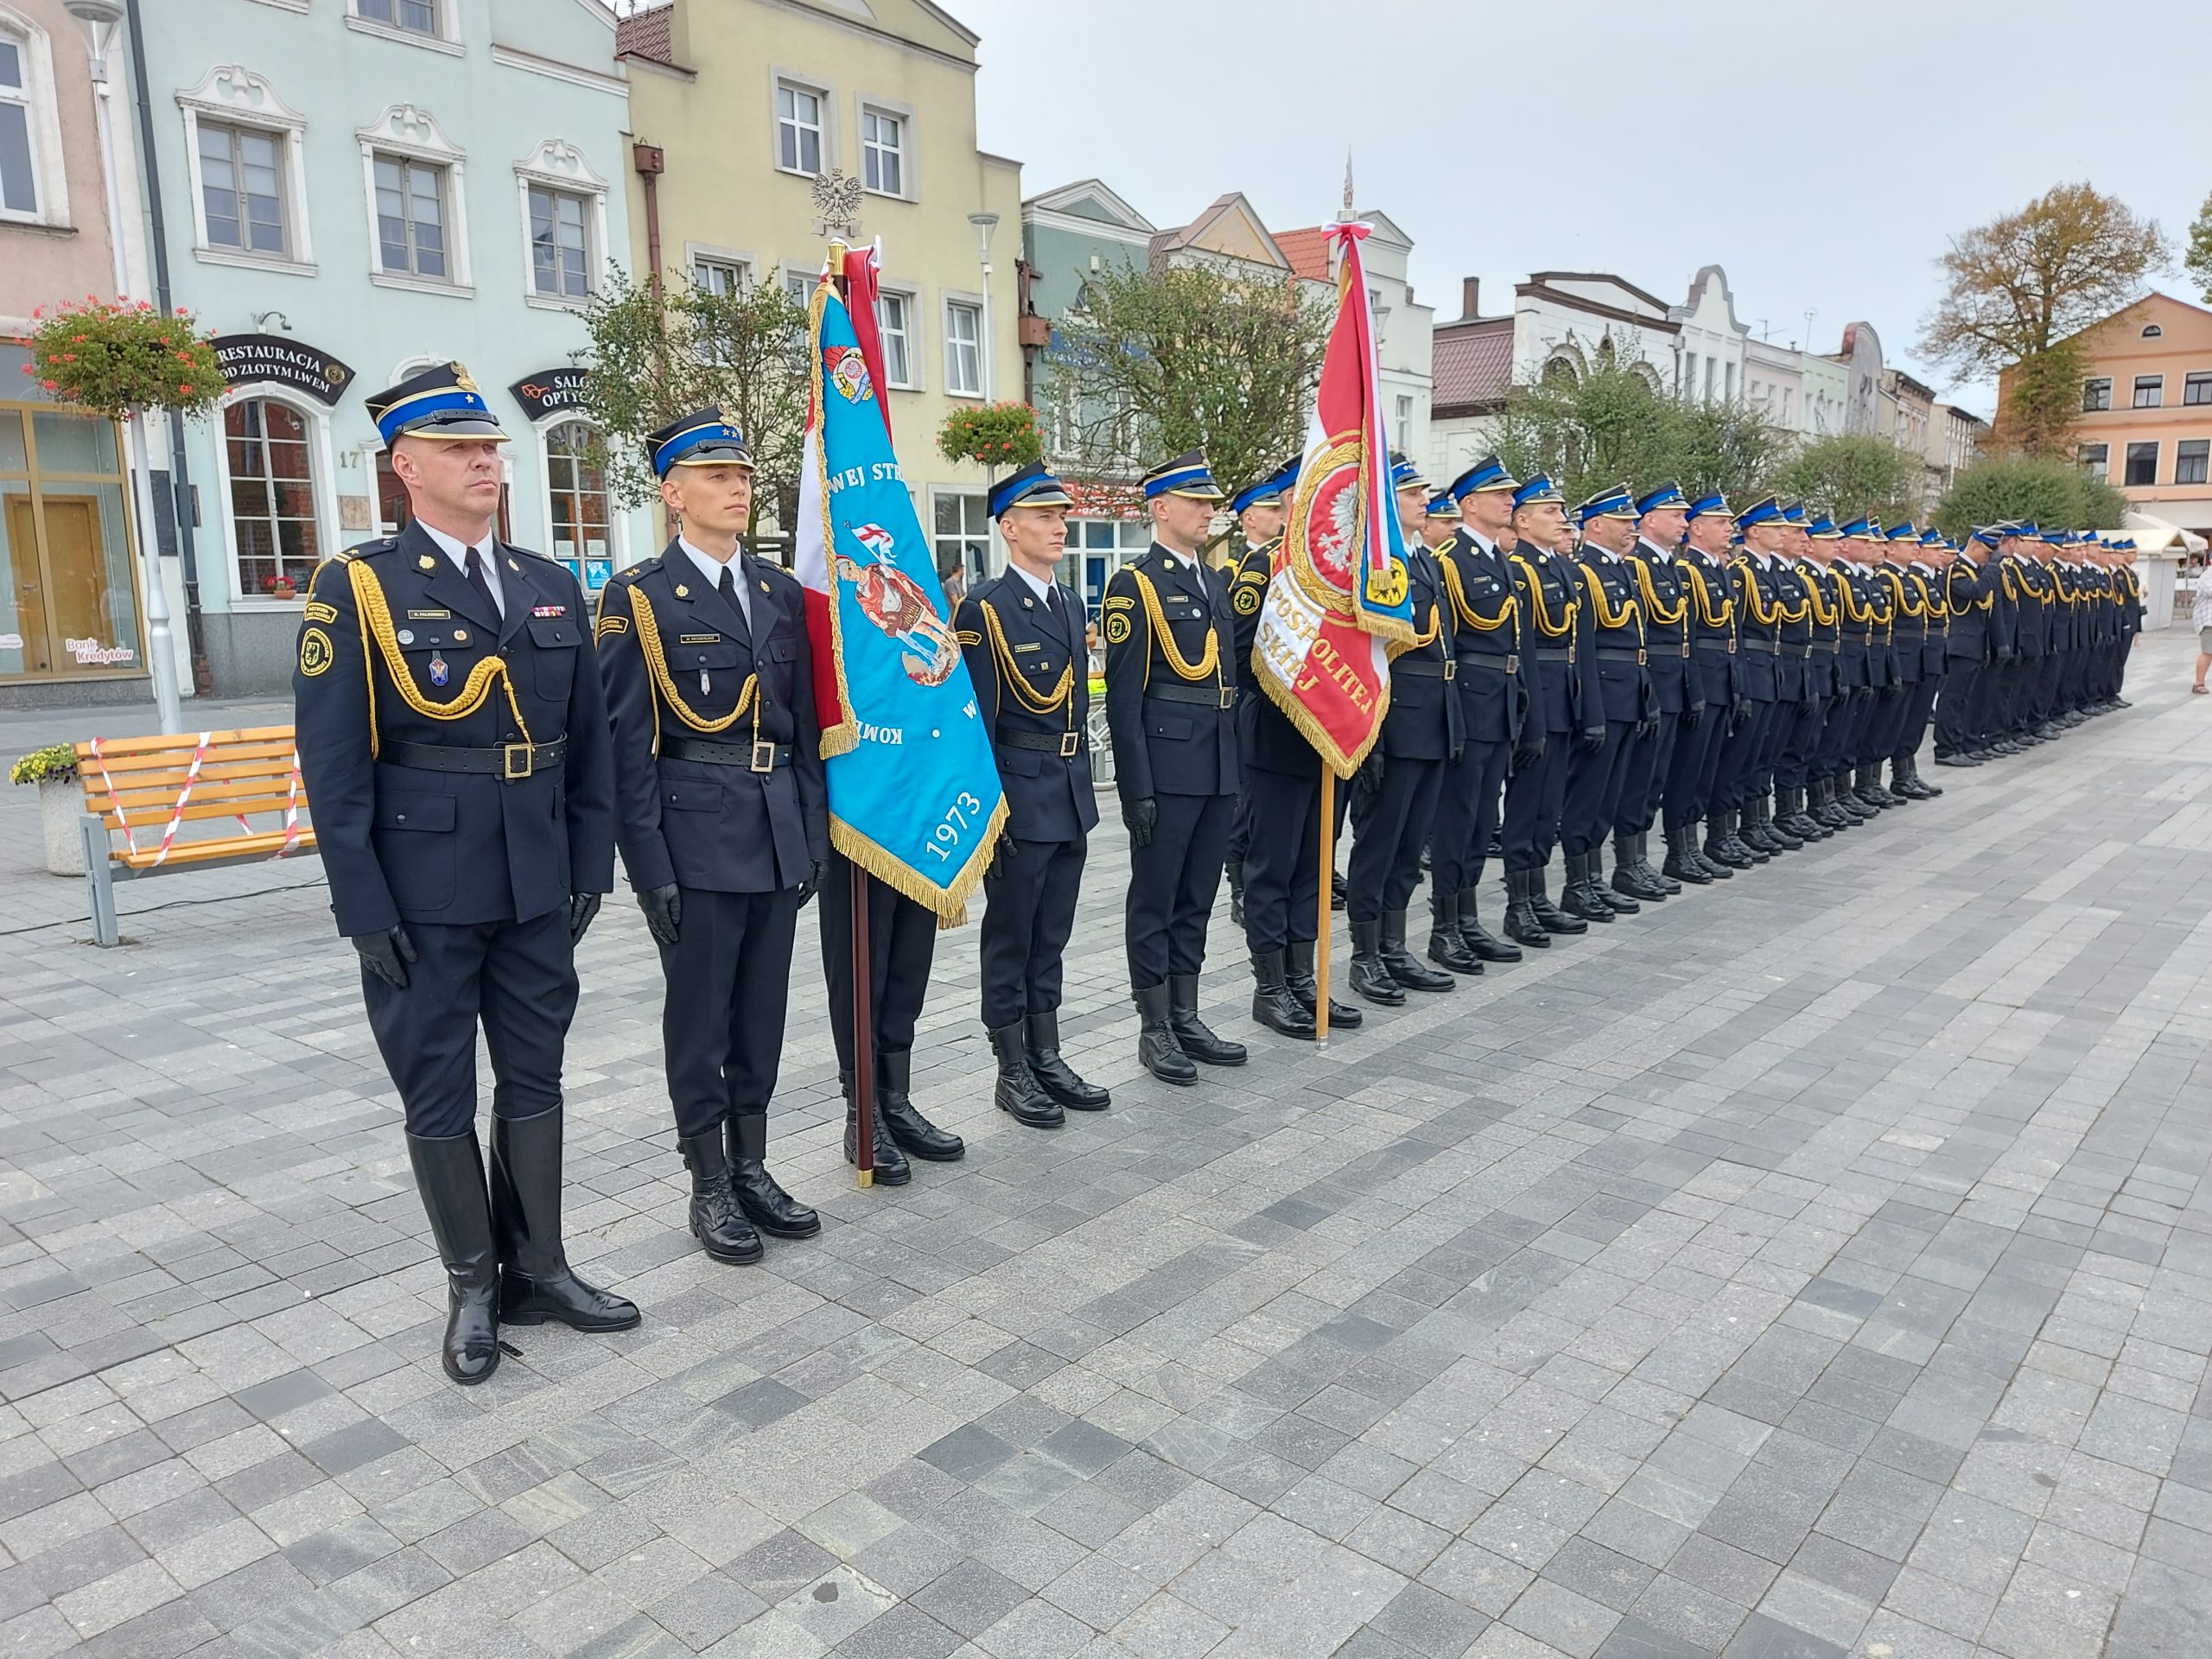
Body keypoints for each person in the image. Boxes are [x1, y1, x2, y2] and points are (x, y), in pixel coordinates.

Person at [293, 362, 634, 1385]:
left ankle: (541, 1268)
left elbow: (590, 747)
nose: (485, 460)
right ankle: (473, 1286)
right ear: (405, 466)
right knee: (438, 1088)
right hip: (423, 886)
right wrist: (362, 904)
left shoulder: (547, 583)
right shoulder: (358, 586)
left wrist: (588, 865)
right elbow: (333, 765)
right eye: (458, 448)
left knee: (536, 1075)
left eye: (488, 445)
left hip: (535, 879)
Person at [596, 410, 826, 1266]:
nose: (737, 488)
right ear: (673, 492)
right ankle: (708, 1182)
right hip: (695, 837)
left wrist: (810, 833)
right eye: (716, 475)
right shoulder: (640, 597)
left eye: (742, 474)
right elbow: (626, 748)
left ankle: (752, 1165)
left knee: (761, 1013)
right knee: (701, 1024)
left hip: (773, 829)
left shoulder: (776, 591)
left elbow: (802, 726)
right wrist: (648, 867)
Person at [956, 461, 1110, 1126]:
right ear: (1009, 528)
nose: (1059, 527)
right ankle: (1012, 1066)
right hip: (1020, 795)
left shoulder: (1069, 603)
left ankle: (1046, 1053)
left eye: (1061, 517)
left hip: (1069, 790)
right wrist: (995, 812)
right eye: (1044, 517)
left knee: (1052, 935)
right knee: (1011, 937)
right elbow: (979, 724)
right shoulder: (984, 609)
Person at [1104, 451, 1246, 1084]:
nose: (1208, 511)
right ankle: (1155, 1024)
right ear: (1161, 508)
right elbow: (1124, 699)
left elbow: (1227, 683)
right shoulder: (1135, 585)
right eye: (1197, 501)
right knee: (1156, 900)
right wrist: (1136, 789)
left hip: (1215, 766)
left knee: (1197, 897)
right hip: (1167, 768)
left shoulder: (1213, 582)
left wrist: (1233, 771)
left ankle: (1186, 1013)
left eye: (1210, 501)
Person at [1227, 454, 1360, 1040]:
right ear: (1292, 503)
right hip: (1278, 740)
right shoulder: (1264, 567)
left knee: (1313, 867)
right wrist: (1303, 695)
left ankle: (1304, 979)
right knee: (1272, 868)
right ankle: (1271, 987)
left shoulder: (1338, 573)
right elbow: (1240, 658)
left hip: (1327, 744)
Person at [1346, 456, 1462, 1001]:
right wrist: (1372, 738)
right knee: (1379, 845)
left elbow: (1444, 649)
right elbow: (1366, 653)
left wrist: (1452, 722)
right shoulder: (1378, 564)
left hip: (1433, 720)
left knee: (1411, 846)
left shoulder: (1426, 561)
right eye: (1413, 493)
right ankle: (1365, 954)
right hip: (1395, 725)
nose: (1425, 501)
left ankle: (1394, 946)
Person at [1428, 456, 1535, 969]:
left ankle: (1467, 919)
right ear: (1469, 504)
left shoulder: (1500, 560)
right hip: (1469, 703)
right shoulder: (1450, 561)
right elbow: (1446, 645)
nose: (1510, 502)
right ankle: (1445, 927)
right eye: (1500, 495)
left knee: (1480, 820)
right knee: (1457, 818)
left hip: (1500, 702)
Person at [1499, 476, 1592, 946]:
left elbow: (1578, 644)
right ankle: (1518, 905)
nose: (1561, 519)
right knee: (1525, 806)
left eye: (1561, 511)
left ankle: (1537, 897)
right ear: (1522, 520)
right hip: (1537, 701)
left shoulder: (1560, 568)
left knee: (1547, 806)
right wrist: (1531, 716)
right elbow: (1526, 650)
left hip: (1563, 699)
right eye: (1550, 511)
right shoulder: (1519, 569)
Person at [1559, 484, 1650, 921]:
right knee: (1587, 796)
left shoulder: (1623, 570)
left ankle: (1594, 879)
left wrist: (1646, 696)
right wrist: (1591, 711)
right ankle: (1578, 884)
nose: (1631, 527)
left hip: (1628, 694)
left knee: (1610, 795)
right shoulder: (1584, 573)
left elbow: (1638, 641)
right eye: (1622, 520)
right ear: (1595, 525)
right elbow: (1585, 649)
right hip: (1604, 697)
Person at [1615, 484, 1698, 897]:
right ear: (1649, 520)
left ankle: (1640, 860)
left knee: (1656, 775)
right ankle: (1628, 864)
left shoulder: (1669, 566)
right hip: (1650, 683)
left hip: (1673, 681)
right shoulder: (1638, 565)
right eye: (1676, 515)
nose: (1684, 522)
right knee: (1639, 778)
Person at [1222, 463, 1294, 930]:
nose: (1278, 515)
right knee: (1247, 804)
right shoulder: (1237, 571)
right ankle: (1239, 884)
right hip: (1253, 702)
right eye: (1270, 509)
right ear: (1248, 518)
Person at [1664, 493, 1738, 883]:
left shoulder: (1718, 570)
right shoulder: (1688, 571)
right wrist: (1693, 688)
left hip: (1722, 679)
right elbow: (1687, 637)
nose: (1729, 529)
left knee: (1707, 769)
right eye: (1721, 523)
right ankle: (1679, 850)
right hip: (1700, 681)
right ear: (1697, 528)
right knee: (1688, 769)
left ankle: (1694, 846)